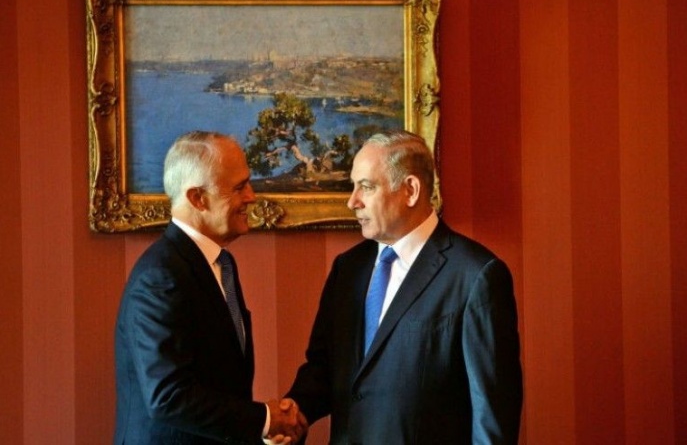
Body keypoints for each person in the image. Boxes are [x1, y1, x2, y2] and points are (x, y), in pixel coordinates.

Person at [286, 130, 523, 444]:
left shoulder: (475, 276)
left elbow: (491, 415)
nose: (352, 201)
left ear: (410, 190)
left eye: (366, 187)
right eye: (353, 186)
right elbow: (324, 367)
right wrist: (293, 414)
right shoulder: (348, 269)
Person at [114, 131, 306, 444]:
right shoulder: (160, 277)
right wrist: (266, 419)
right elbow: (168, 397)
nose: (251, 196)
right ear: (197, 199)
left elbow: (222, 382)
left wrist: (261, 431)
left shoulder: (220, 264)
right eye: (239, 187)